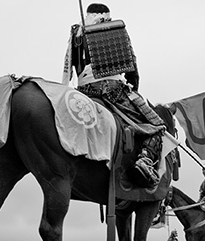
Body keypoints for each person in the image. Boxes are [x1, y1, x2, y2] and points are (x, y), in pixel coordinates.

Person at [62, 3, 165, 188]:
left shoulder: (76, 33)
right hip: (112, 89)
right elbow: (132, 67)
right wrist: (134, 88)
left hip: (82, 91)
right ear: (106, 14)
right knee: (157, 125)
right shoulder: (115, 27)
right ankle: (145, 160)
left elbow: (68, 68)